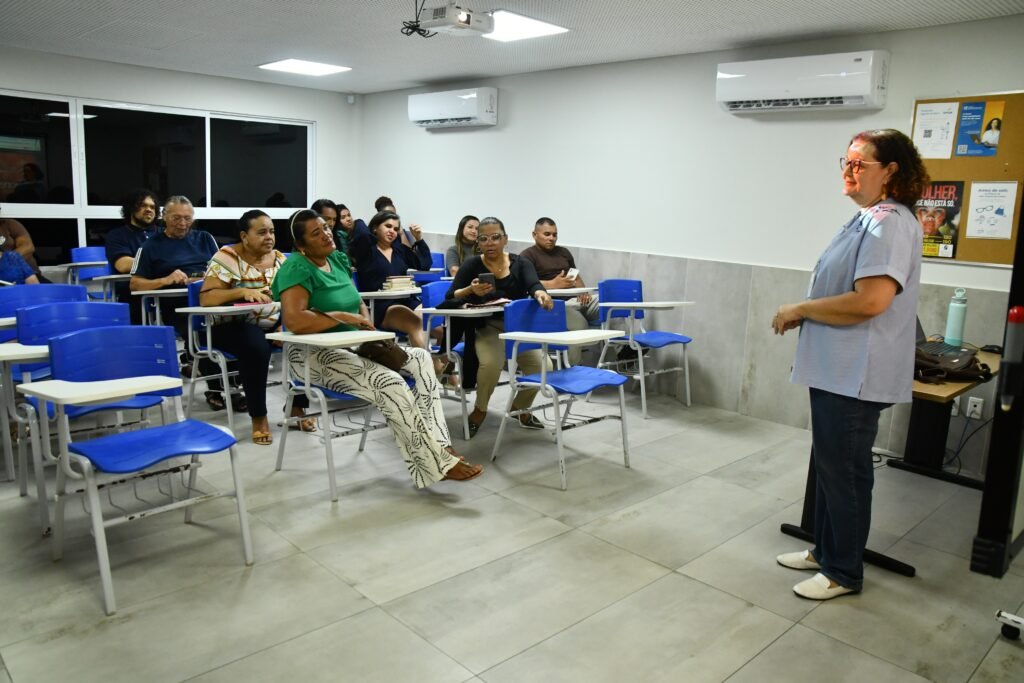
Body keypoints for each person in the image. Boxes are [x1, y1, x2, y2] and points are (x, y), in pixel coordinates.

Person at [772, 129, 928, 600]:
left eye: (862, 163)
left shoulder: (890, 223)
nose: (850, 170)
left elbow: (870, 301)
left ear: (892, 172)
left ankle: (844, 571)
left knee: (846, 471)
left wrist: (801, 309)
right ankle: (826, 549)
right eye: (847, 160)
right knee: (829, 465)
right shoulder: (866, 218)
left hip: (856, 376)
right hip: (838, 370)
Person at [272, 209, 482, 484]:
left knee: (420, 357)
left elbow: (356, 299)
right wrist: (344, 318)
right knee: (390, 382)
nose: (325, 234)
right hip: (313, 355)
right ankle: (433, 464)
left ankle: (440, 445)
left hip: (354, 346)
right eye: (316, 233)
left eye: (325, 227)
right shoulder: (296, 267)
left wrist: (366, 325)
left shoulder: (336, 259)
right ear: (300, 245)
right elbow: (295, 320)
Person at [199, 210, 312, 445]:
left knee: (303, 339)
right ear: (244, 236)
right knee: (256, 346)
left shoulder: (282, 259)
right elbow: (207, 298)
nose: (269, 237)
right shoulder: (227, 256)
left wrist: (286, 322)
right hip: (230, 327)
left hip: (272, 324)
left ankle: (296, 407)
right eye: (261, 232)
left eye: (271, 231)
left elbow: (296, 297)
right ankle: (259, 416)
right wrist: (241, 291)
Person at [445, 217, 555, 437]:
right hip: (486, 327)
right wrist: (470, 290)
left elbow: (534, 284)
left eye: (495, 237)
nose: (490, 243)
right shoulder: (472, 265)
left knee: (544, 366)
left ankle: (518, 409)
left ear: (505, 239)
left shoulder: (520, 263)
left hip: (515, 328)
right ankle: (480, 410)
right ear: (478, 243)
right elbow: (451, 295)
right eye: (483, 239)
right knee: (491, 364)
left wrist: (541, 293)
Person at [130, 195, 231, 407]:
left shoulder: (204, 238)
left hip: (209, 297)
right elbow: (135, 284)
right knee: (202, 331)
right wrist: (165, 280)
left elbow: (224, 270)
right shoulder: (150, 245)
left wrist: (207, 278)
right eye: (176, 218)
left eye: (187, 218)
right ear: (164, 217)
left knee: (237, 325)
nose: (183, 223)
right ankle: (219, 389)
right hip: (176, 304)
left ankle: (235, 386)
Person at [348, 210, 434, 351]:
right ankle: (431, 367)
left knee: (434, 323)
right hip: (381, 306)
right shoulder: (366, 251)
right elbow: (362, 232)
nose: (392, 231)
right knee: (416, 323)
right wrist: (359, 222)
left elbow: (424, 264)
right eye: (387, 226)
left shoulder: (399, 250)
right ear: (375, 227)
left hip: (406, 300)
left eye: (395, 229)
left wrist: (419, 239)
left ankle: (443, 368)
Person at [519, 217, 600, 364]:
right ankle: (572, 369)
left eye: (554, 235)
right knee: (579, 325)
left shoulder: (563, 252)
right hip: (551, 305)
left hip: (574, 300)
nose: (551, 238)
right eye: (547, 234)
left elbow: (575, 276)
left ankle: (626, 352)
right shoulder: (527, 256)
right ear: (534, 235)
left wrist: (582, 292)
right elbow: (526, 285)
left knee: (610, 304)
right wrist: (553, 284)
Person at [106, 189, 159, 323]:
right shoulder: (117, 235)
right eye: (143, 205)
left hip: (165, 288)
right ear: (130, 209)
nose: (149, 209)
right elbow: (123, 265)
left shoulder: (164, 234)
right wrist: (162, 263)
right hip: (133, 293)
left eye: (152, 207)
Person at [0, 208, 44, 280]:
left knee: (54, 290)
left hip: (30, 274)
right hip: (3, 280)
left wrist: (6, 261)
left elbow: (28, 247)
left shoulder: (9, 224)